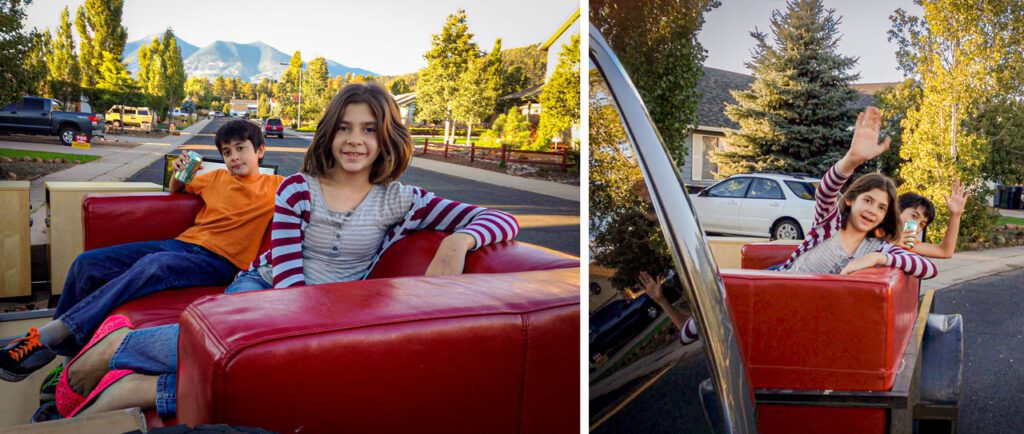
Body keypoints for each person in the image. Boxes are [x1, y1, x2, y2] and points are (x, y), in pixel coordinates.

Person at [56, 83, 520, 419]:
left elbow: (499, 219)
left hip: (329, 312)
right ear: (329, 134)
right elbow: (288, 273)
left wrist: (459, 241)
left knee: (269, 383)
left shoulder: (399, 200)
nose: (355, 140)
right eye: (344, 128)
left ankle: (147, 388)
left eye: (369, 130)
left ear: (385, 139)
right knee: (230, 348)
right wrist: (294, 335)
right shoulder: (299, 189)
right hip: (267, 287)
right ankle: (120, 346)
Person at [0, 120, 284, 383]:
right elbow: (178, 187)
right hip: (181, 244)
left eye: (241, 149)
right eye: (227, 152)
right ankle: (66, 356)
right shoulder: (216, 178)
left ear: (260, 151)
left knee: (155, 265)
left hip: (219, 262)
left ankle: (50, 336)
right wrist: (179, 171)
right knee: (86, 263)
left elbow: (313, 187)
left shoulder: (276, 186)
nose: (234, 157)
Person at [661, 107, 938, 347]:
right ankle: (689, 324)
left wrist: (879, 257)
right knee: (720, 298)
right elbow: (827, 191)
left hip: (805, 304)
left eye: (880, 208)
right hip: (777, 281)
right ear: (851, 199)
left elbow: (928, 268)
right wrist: (852, 160)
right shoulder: (828, 224)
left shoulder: (878, 246)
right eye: (868, 200)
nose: (872, 211)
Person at [898, 180, 971, 259]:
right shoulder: (883, 233)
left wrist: (955, 214)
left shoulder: (907, 243)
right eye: (914, 216)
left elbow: (945, 252)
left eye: (922, 224)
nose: (916, 224)